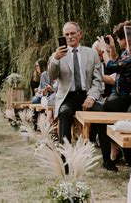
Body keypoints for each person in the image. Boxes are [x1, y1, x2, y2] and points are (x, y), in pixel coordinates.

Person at [48, 22, 113, 169]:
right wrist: (56, 59)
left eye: (72, 33)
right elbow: (52, 75)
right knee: (64, 114)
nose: (70, 37)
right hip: (67, 96)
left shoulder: (92, 53)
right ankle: (65, 162)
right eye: (66, 34)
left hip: (87, 95)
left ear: (80, 34)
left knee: (102, 115)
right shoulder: (57, 55)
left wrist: (91, 97)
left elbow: (98, 79)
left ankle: (107, 160)